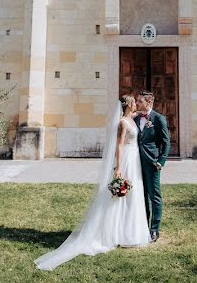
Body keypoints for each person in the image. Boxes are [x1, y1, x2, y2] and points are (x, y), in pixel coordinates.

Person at [34, 95, 151, 271]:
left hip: (135, 160)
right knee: (121, 196)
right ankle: (117, 233)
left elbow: (142, 113)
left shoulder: (131, 119)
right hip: (126, 159)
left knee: (134, 194)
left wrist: (146, 109)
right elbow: (119, 145)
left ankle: (130, 232)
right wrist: (118, 168)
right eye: (134, 102)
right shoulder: (122, 123)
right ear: (128, 105)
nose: (136, 104)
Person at [134, 91, 170, 242]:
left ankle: (154, 229)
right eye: (137, 101)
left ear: (149, 103)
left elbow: (166, 142)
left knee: (154, 196)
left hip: (152, 163)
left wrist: (160, 161)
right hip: (136, 163)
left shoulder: (158, 118)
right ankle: (143, 226)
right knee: (141, 195)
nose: (137, 104)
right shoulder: (135, 118)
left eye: (140, 102)